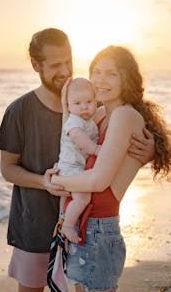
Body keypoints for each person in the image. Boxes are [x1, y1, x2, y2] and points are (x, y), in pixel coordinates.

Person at [0, 28, 155, 292]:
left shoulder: (93, 105)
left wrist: (147, 153)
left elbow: (121, 140)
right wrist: (45, 182)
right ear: (36, 65)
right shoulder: (19, 111)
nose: (65, 70)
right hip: (34, 221)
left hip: (81, 221)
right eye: (56, 65)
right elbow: (8, 169)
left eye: (68, 61)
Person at [51, 45, 171, 292]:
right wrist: (67, 110)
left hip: (99, 226)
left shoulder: (123, 115)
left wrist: (58, 184)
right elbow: (69, 144)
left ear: (127, 79)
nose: (100, 80)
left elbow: (98, 182)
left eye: (111, 73)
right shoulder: (100, 115)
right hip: (81, 222)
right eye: (96, 71)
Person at [57, 77, 100, 244]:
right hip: (71, 167)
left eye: (89, 101)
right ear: (68, 106)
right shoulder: (74, 122)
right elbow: (79, 138)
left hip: (74, 166)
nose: (84, 106)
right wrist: (95, 150)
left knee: (68, 200)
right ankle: (68, 225)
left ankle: (63, 217)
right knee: (82, 198)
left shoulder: (87, 120)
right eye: (77, 103)